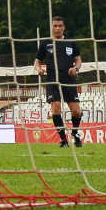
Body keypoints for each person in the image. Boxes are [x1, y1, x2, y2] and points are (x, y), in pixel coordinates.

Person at [34, 16, 83, 148]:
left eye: (60, 26)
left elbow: (78, 60)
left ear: (64, 27)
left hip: (68, 80)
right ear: (52, 27)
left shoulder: (71, 42)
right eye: (55, 26)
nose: (57, 28)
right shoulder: (45, 43)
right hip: (52, 80)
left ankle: (75, 132)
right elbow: (37, 61)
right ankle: (63, 140)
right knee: (56, 108)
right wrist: (39, 69)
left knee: (76, 111)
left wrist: (76, 68)